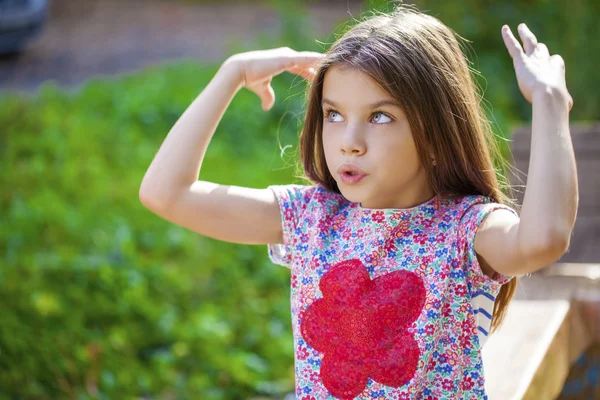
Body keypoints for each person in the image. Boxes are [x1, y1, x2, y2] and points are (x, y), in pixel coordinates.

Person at [139, 4, 577, 399]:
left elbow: (544, 239)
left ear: (436, 132)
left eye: (379, 116)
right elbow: (166, 194)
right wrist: (231, 74)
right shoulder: (309, 217)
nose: (349, 142)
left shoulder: (466, 228)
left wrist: (550, 102)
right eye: (334, 114)